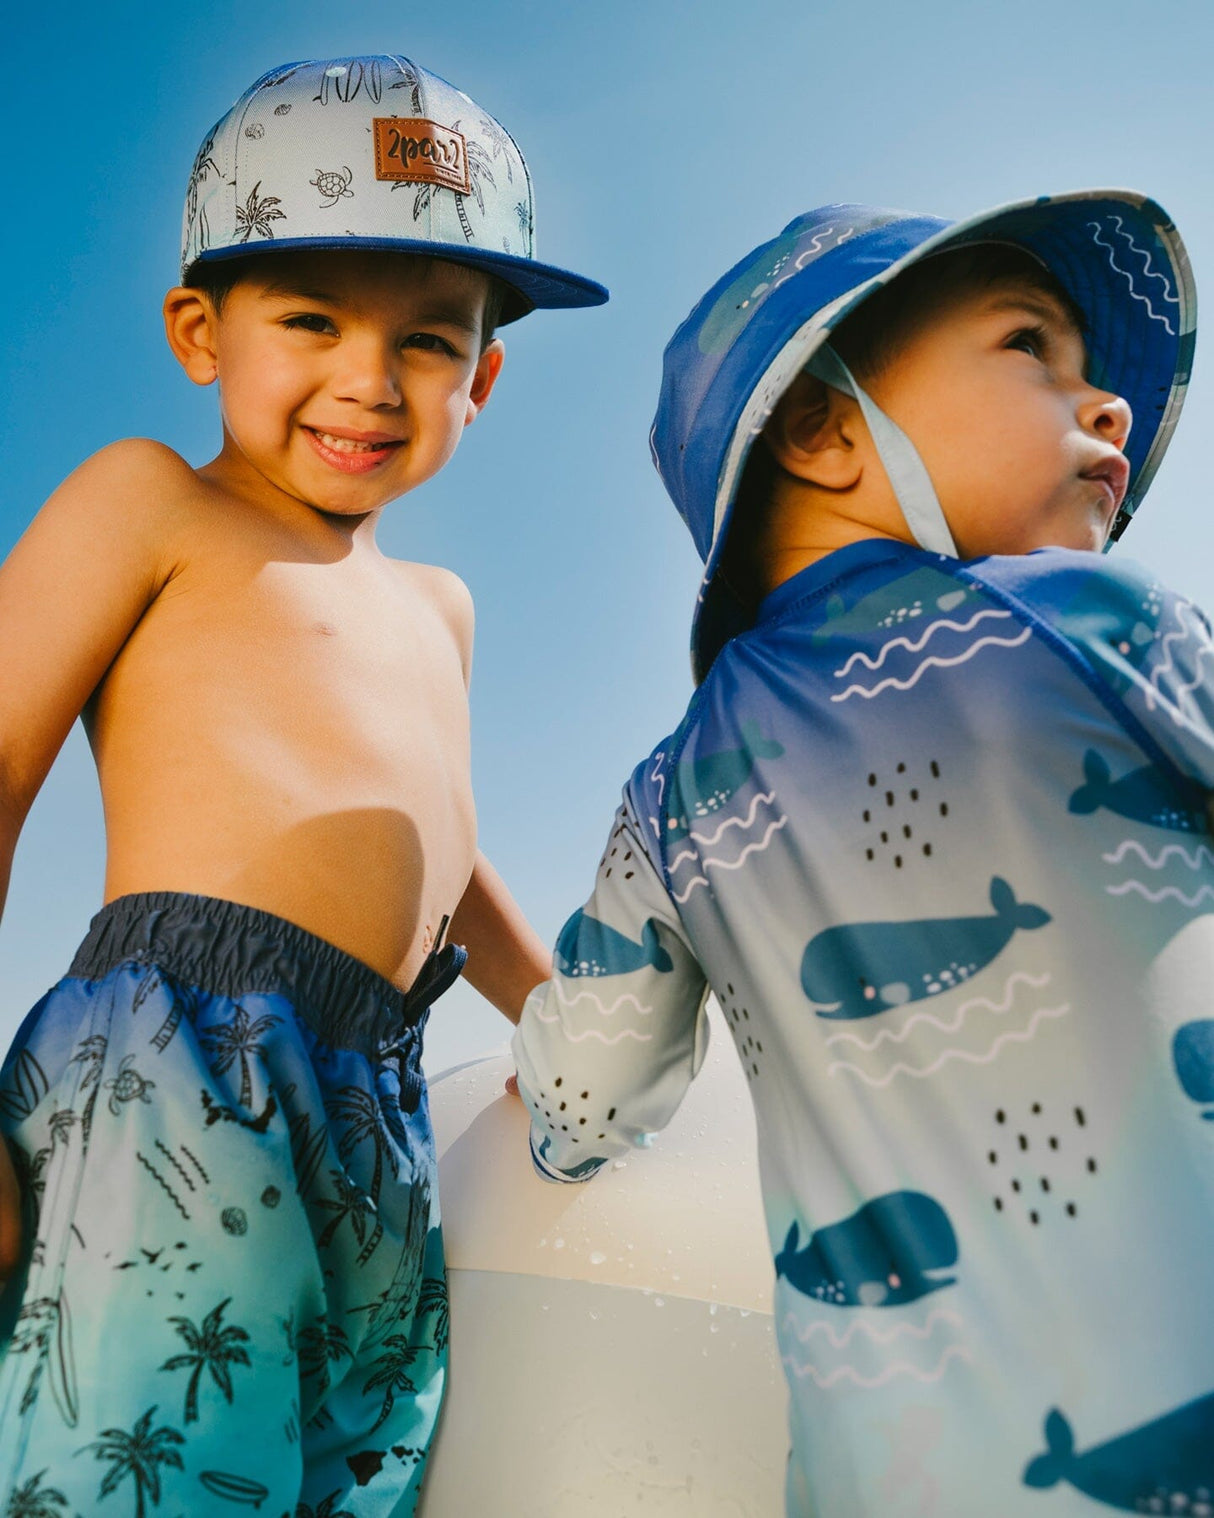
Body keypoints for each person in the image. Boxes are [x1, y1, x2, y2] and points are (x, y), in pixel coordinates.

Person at [511, 192, 1214, 1515]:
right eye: (1032, 348)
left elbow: (583, 1103)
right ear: (826, 431)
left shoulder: (663, 801)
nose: (1105, 402)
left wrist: (540, 1140)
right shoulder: (1092, 618)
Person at [0, 53, 603, 1514]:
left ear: (487, 375)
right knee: (152, 1469)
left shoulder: (442, 606)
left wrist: (587, 1024)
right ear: (201, 331)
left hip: (377, 1097)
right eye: (312, 317)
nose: (368, 379)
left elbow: (445, 867)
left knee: (356, 1473)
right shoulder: (152, 499)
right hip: (175, 1065)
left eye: (429, 339)